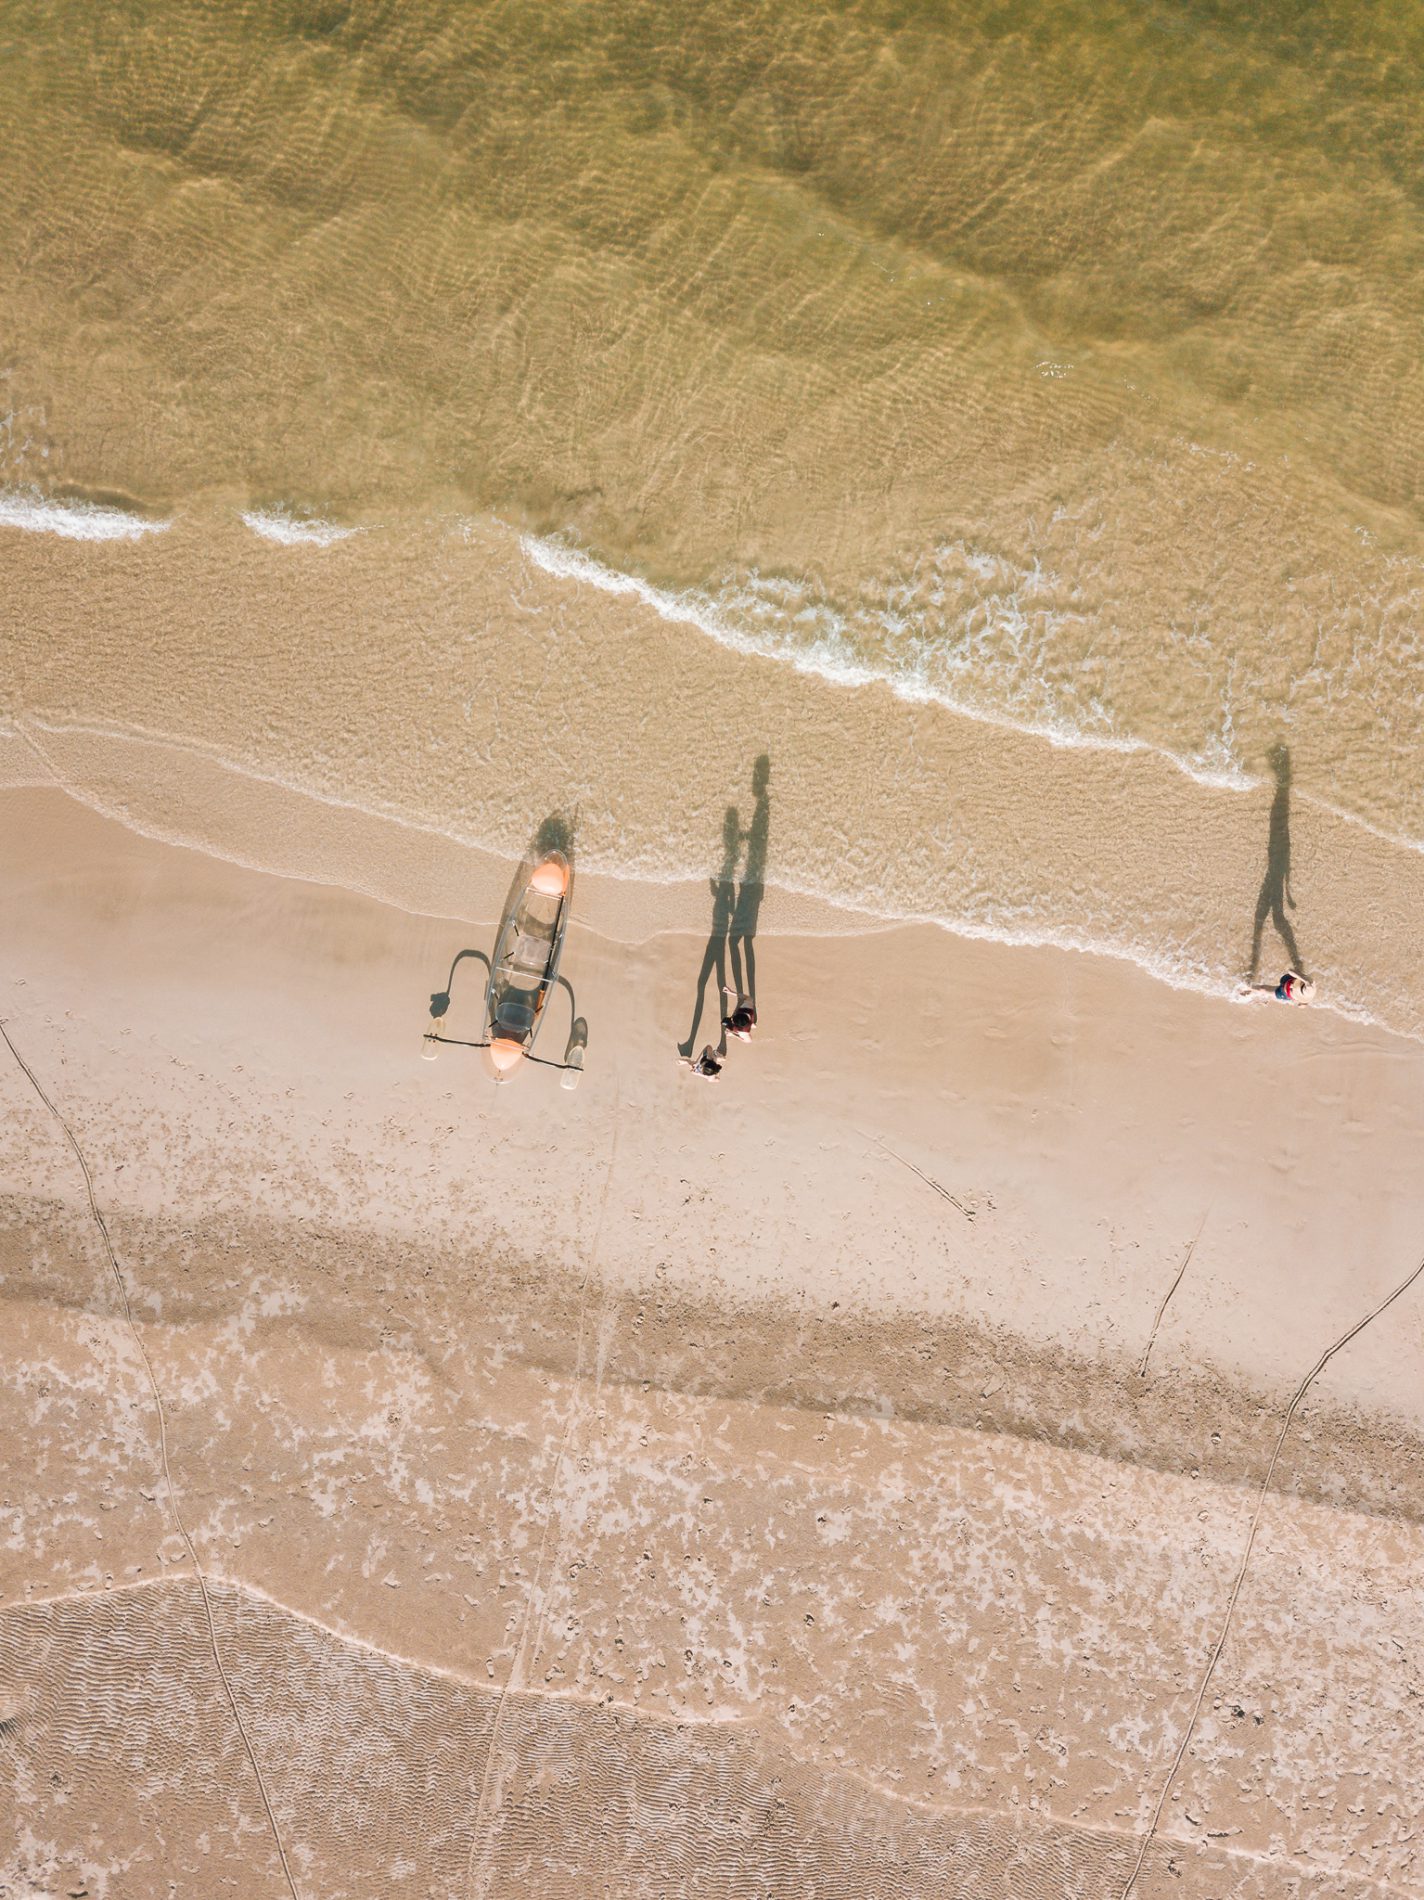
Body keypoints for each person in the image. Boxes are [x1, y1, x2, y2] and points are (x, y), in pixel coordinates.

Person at [1239, 969, 1315, 1004]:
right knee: (1266, 992)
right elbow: (1290, 971)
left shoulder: (1305, 997)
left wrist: (1294, 991)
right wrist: (1303, 979)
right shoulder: (1308, 983)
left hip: (1283, 993)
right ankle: (1258, 995)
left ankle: (1247, 986)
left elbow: (1301, 1003)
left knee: (1263, 989)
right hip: (1287, 980)